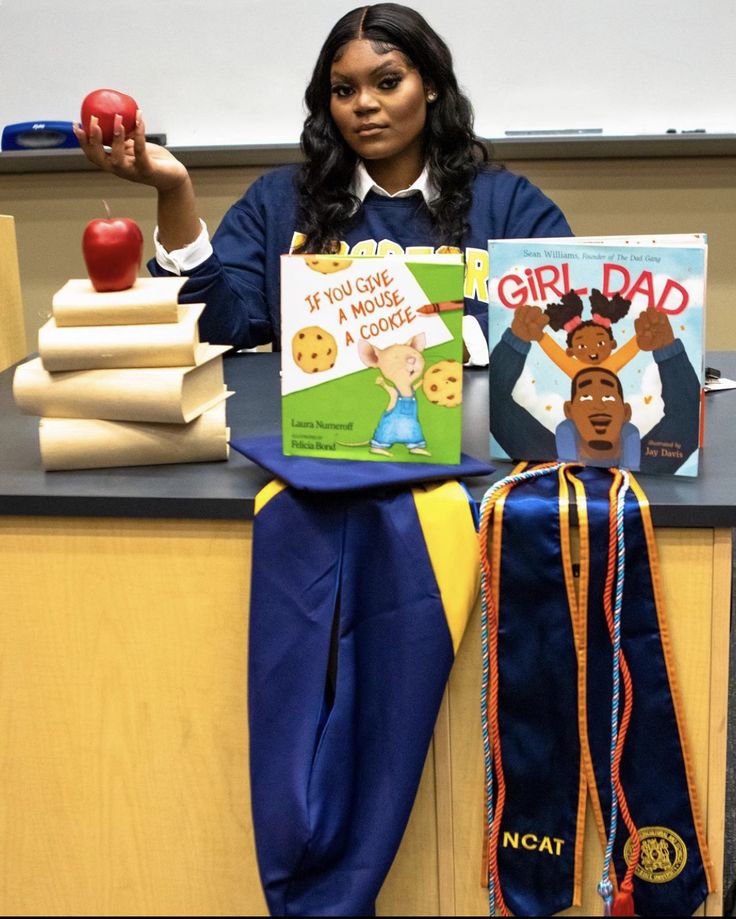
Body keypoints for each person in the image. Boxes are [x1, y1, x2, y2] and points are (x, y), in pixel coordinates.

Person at [73, 3, 572, 362]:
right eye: (343, 89)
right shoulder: (277, 201)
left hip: (476, 449)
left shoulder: (509, 204)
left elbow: (566, 321)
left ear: (434, 86)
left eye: (387, 82)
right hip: (316, 449)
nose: (364, 104)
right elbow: (219, 328)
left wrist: (444, 344)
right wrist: (174, 189)